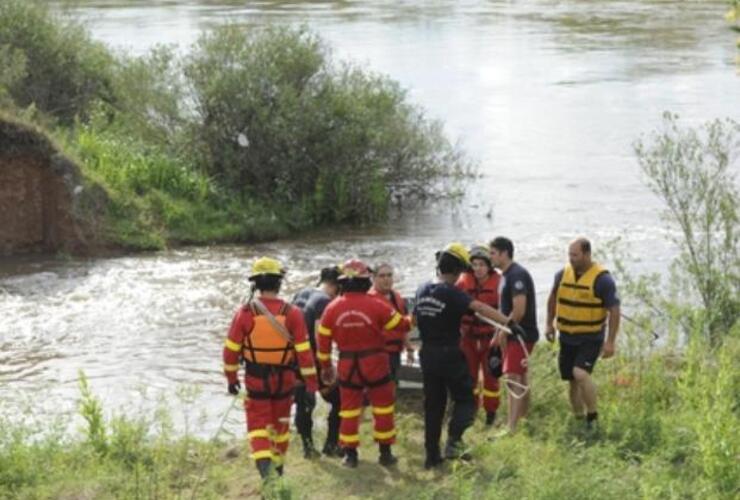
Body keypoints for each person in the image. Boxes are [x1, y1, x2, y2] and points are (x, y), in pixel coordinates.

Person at [414, 243, 525, 469]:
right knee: (466, 400)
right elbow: (481, 308)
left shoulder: (421, 289)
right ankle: (454, 442)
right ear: (456, 271)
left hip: (427, 354)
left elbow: (414, 320)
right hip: (449, 354)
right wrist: (510, 324)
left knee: (433, 405)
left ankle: (431, 457)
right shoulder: (453, 293)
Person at [222, 257, 319, 481]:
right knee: (281, 425)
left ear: (255, 285)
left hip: (256, 380)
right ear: (279, 283)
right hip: (285, 381)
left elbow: (231, 351)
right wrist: (311, 385)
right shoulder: (293, 313)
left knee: (258, 426)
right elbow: (305, 354)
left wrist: (231, 378)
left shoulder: (245, 313)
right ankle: (277, 471)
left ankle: (266, 473)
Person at [317, 259, 408, 468]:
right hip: (376, 363)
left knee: (349, 410)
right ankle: (385, 454)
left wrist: (326, 368)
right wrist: (417, 316)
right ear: (365, 280)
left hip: (348, 366)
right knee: (383, 409)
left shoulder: (332, 308)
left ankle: (350, 456)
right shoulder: (377, 304)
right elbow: (401, 324)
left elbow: (323, 344)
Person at [545, 238, 620, 429]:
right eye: (569, 254)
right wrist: (549, 324)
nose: (571, 259)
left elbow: (614, 311)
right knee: (571, 379)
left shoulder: (603, 280)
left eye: (575, 255)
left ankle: (592, 417)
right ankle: (578, 419)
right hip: (567, 336)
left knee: (580, 373)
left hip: (590, 337)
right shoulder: (562, 274)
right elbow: (553, 299)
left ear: (587, 255)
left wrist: (610, 342)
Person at [489, 237, 539, 434]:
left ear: (504, 253)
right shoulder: (506, 275)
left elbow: (519, 310)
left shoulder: (516, 275)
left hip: (520, 335)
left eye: (493, 253)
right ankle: (522, 420)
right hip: (513, 334)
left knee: (512, 378)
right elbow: (505, 308)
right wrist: (498, 332)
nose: (490, 257)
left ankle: (511, 427)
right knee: (521, 378)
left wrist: (502, 332)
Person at [291, 266, 342, 458]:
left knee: (303, 404)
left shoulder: (301, 293)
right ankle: (331, 444)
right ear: (336, 286)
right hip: (313, 362)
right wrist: (327, 367)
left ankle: (308, 448)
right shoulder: (324, 302)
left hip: (295, 360)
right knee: (340, 400)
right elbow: (320, 337)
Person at [455, 245, 502, 426]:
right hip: (468, 338)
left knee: (491, 378)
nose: (478, 268)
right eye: (474, 264)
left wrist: (500, 335)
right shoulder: (463, 282)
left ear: (489, 266)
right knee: (469, 377)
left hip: (491, 338)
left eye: (482, 264)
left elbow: (505, 311)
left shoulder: (499, 283)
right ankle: (471, 413)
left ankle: (491, 415)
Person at [368, 263, 414, 386]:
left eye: (389, 275)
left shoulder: (396, 296)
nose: (386, 279)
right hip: (377, 354)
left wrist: (409, 348)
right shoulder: (369, 300)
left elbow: (404, 326)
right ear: (373, 278)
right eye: (382, 276)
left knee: (393, 384)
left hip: (395, 352)